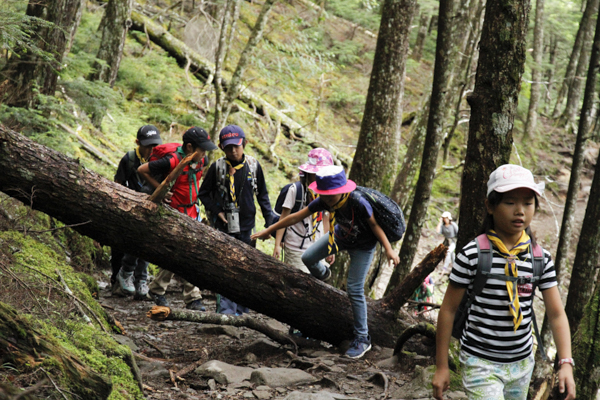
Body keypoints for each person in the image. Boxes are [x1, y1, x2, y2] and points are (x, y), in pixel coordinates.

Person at [432, 164, 575, 400]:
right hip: (480, 362)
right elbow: (448, 310)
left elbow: (557, 314)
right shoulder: (472, 254)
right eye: (509, 202)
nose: (520, 211)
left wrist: (566, 362)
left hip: (522, 364)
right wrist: (442, 366)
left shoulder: (540, 259)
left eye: (528, 203)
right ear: (490, 205)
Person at [251, 165, 400, 359]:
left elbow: (374, 225)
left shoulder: (358, 202)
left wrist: (389, 249)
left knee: (354, 289)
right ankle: (324, 275)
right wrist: (269, 230)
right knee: (308, 258)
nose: (328, 199)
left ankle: (362, 338)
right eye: (325, 195)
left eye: (332, 195)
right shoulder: (323, 201)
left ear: (342, 191)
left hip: (363, 246)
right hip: (340, 236)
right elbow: (297, 216)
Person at [138, 126, 218, 311]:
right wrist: (161, 189)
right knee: (185, 253)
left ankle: (160, 289)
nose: (204, 153)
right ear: (189, 148)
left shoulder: (202, 160)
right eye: (201, 149)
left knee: (186, 253)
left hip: (191, 212)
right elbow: (142, 170)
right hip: (173, 212)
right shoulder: (171, 160)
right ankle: (192, 297)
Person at [198, 124, 273, 315]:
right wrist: (217, 212)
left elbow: (262, 195)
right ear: (221, 147)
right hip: (223, 227)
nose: (233, 151)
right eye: (228, 147)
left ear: (245, 144)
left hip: (247, 227)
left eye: (236, 146)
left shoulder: (253, 166)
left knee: (246, 268)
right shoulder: (217, 168)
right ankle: (226, 311)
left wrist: (269, 223)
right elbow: (203, 194)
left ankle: (242, 310)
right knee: (224, 267)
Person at [112, 124, 162, 300]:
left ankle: (141, 280)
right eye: (147, 145)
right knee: (125, 246)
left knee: (145, 247)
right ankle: (117, 281)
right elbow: (118, 183)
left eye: (154, 145)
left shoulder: (158, 161)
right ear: (138, 142)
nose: (151, 149)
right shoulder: (130, 159)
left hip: (149, 210)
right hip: (130, 208)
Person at [273, 148, 333, 273]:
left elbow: (326, 219)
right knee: (298, 284)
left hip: (318, 248)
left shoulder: (327, 192)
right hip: (296, 249)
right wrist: (277, 244)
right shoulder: (296, 190)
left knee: (319, 282)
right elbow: (283, 218)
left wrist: (329, 245)